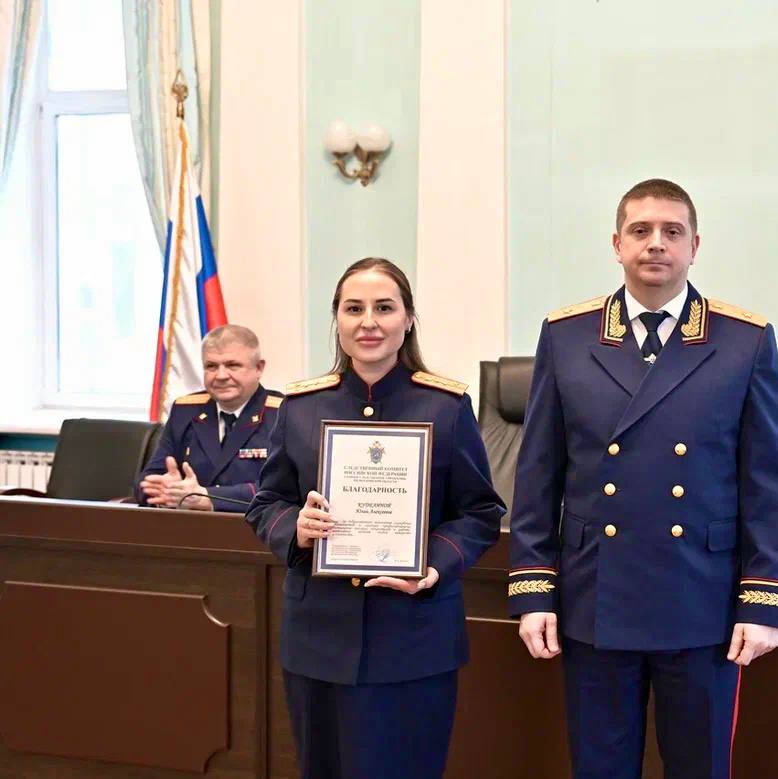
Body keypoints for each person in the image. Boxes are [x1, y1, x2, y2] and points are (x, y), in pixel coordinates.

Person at [508, 179, 778, 779]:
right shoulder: (567, 335)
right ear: (617, 244)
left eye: (672, 231)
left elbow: (769, 482)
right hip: (594, 597)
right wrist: (533, 590)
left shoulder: (743, 341)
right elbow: (538, 473)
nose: (656, 243)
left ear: (695, 246)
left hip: (703, 601)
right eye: (640, 231)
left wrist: (764, 599)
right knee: (600, 767)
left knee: (698, 766)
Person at [245, 258, 504, 779]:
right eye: (354, 309)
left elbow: (480, 512)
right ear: (336, 320)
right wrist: (295, 529)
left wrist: (432, 565)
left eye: (384, 308)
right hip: (319, 638)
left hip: (414, 639)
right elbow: (267, 502)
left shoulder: (446, 406)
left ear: (408, 320)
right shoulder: (300, 406)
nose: (369, 322)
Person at [137, 324, 280, 511]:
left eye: (232, 365)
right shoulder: (186, 410)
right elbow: (145, 483)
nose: (221, 375)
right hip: (188, 525)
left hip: (251, 526)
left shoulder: (282, 414)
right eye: (211, 366)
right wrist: (167, 489)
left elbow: (283, 490)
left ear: (259, 368)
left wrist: (209, 498)